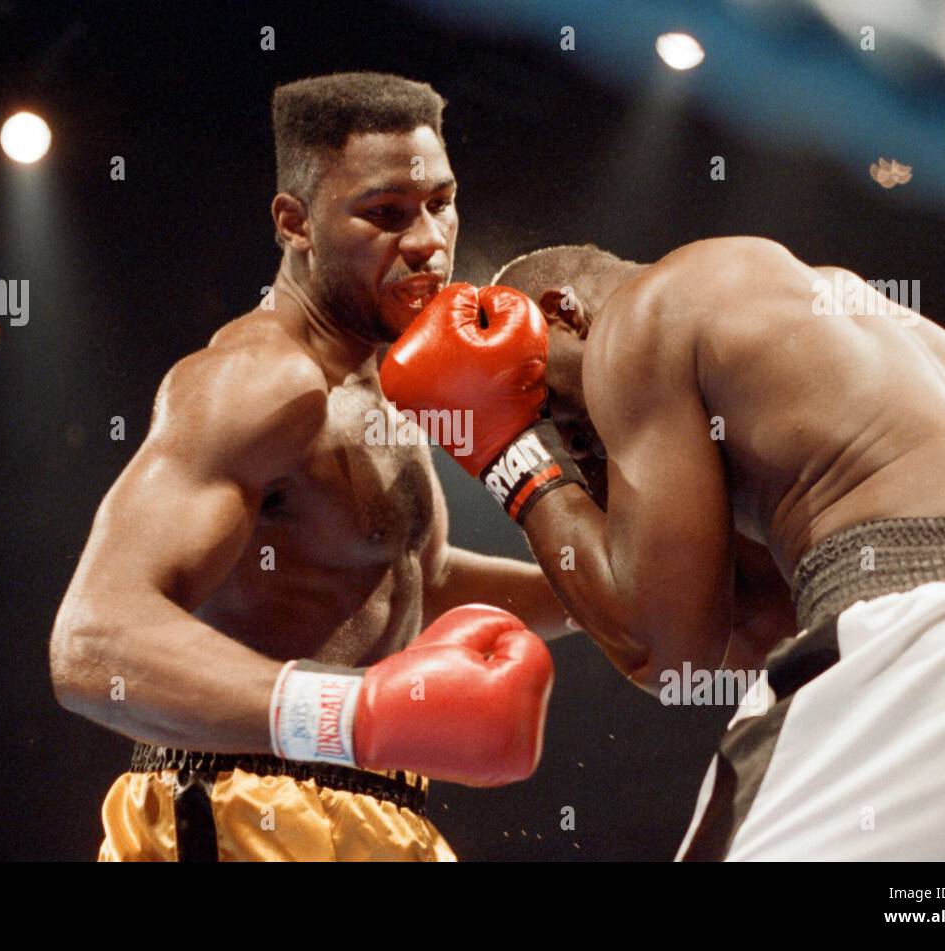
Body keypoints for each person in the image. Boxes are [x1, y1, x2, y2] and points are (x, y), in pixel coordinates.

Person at [380, 237, 945, 860]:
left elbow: (663, 652)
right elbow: (756, 632)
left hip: (939, 642)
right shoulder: (836, 325)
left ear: (564, 313)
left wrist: (504, 454)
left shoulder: (644, 314)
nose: (582, 456)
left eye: (557, 420)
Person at [49, 72, 565, 863]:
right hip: (236, 806)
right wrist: (354, 713)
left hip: (375, 807)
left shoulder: (394, 383)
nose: (428, 239)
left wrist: (605, 587)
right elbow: (94, 642)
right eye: (386, 214)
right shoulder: (260, 381)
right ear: (296, 223)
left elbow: (407, 580)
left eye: (442, 202)